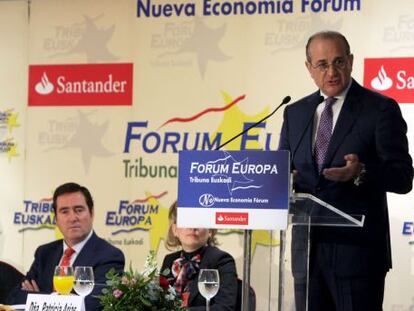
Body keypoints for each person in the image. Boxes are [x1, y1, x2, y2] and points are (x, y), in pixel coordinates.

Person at [278, 30, 413, 310]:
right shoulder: (295, 113)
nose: (331, 71)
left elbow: (402, 177)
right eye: (322, 64)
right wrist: (283, 181)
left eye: (339, 62)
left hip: (358, 255)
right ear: (309, 69)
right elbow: (282, 170)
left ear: (351, 61)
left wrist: (361, 172)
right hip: (307, 254)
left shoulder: (380, 109)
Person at [7, 182, 125, 310]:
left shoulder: (110, 256)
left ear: (92, 213)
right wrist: (67, 299)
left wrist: (38, 297)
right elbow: (15, 297)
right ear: (56, 219)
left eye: (79, 210)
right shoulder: (44, 253)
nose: (72, 218)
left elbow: (94, 304)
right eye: (64, 211)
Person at [161, 201, 238, 310]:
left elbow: (225, 308)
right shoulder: (169, 261)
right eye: (186, 220)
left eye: (199, 220)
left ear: (210, 230)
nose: (193, 227)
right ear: (175, 230)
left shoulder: (222, 260)